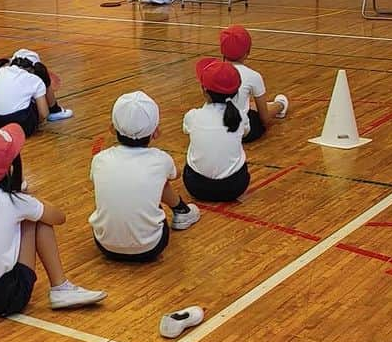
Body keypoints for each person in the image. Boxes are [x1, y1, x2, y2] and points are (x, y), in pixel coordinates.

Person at [0, 125, 106, 315]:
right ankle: (60, 287)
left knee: (26, 216)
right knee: (34, 219)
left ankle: (61, 288)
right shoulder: (13, 202)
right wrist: (28, 200)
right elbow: (59, 217)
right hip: (5, 299)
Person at [89, 91, 200, 263]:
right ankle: (182, 211)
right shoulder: (160, 159)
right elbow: (175, 174)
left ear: (112, 128)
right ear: (156, 132)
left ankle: (181, 211)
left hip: (105, 246)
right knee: (158, 181)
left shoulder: (99, 159)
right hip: (150, 247)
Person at [182, 59, 250, 203]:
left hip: (196, 186)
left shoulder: (193, 116)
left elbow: (186, 130)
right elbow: (246, 132)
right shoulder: (241, 116)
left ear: (204, 90)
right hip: (234, 187)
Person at [218, 25, 288, 143]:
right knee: (260, 113)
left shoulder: (212, 71)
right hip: (242, 132)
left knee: (246, 106)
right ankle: (280, 105)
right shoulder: (253, 76)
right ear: (247, 52)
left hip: (215, 130)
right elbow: (264, 118)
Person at [0, 49, 73, 136]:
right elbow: (44, 114)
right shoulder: (35, 80)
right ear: (33, 68)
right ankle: (55, 111)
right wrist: (35, 123)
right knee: (35, 103)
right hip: (20, 125)